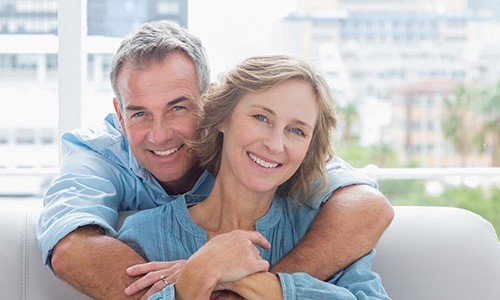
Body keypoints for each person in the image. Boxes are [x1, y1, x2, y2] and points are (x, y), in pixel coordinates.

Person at [36, 20, 393, 299]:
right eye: (140, 113)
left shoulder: (314, 224)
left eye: (178, 108)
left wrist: (269, 287)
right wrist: (190, 282)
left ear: (209, 105)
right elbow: (70, 247)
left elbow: (367, 206)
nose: (159, 135)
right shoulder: (135, 217)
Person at [117, 54, 390, 299]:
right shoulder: (144, 234)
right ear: (222, 118)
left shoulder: (325, 233)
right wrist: (195, 276)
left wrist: (265, 287)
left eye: (296, 131)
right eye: (261, 118)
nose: (275, 144)